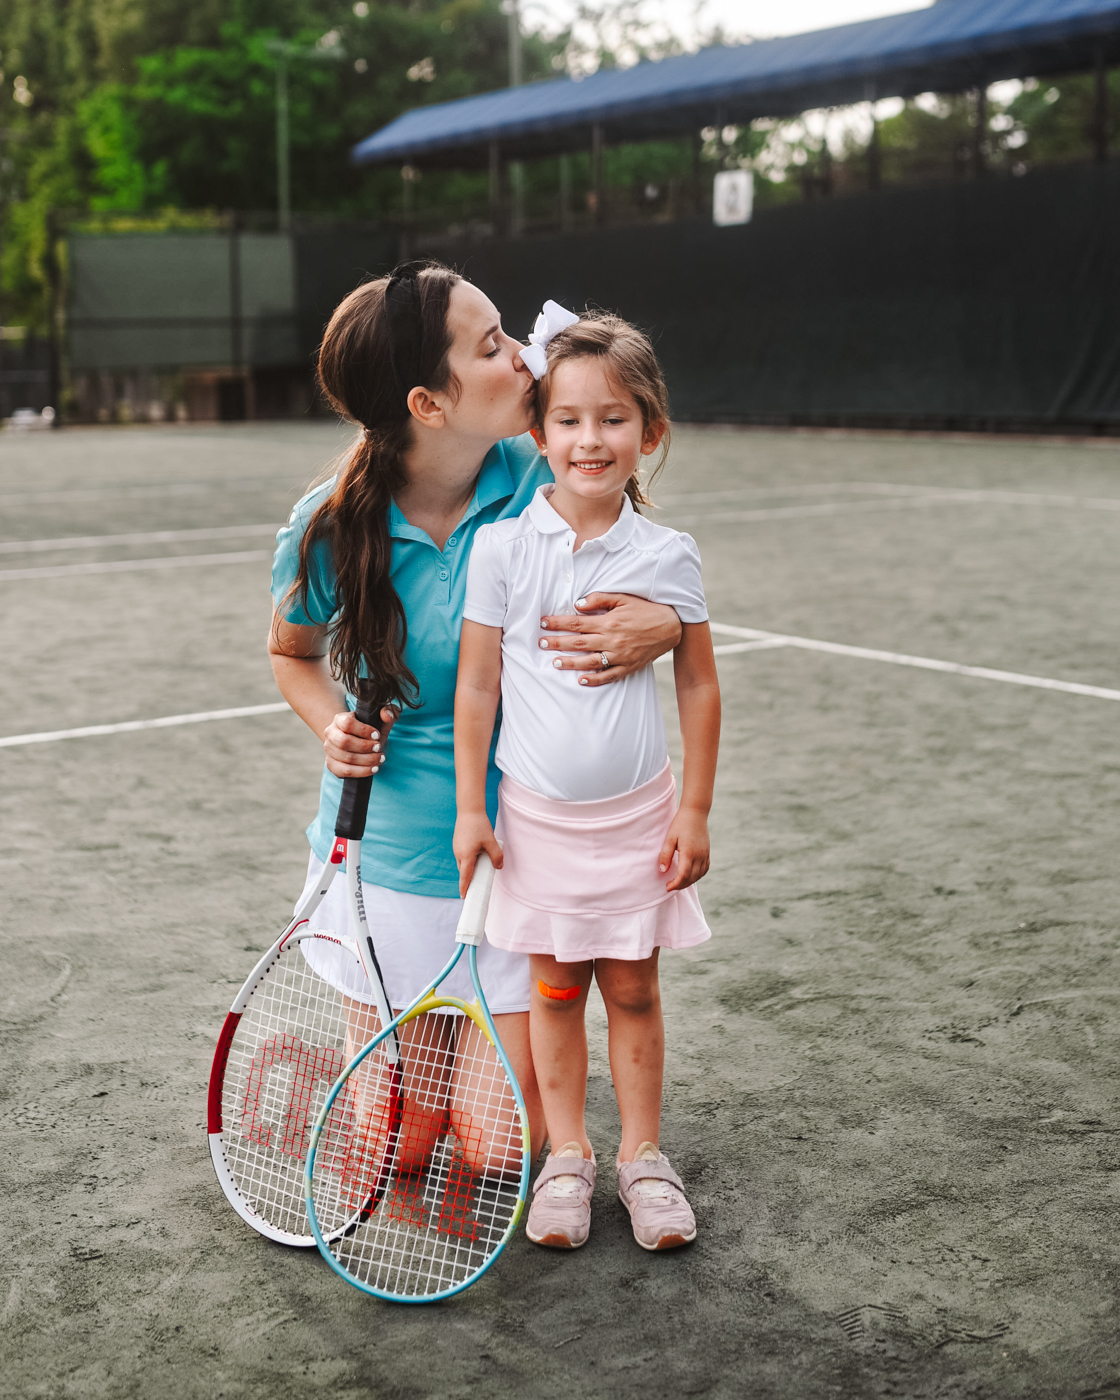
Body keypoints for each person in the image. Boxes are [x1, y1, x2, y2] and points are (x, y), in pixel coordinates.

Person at [267, 262, 684, 1182]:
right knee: (394, 1150)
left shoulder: (539, 473)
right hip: (386, 857)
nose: (524, 355)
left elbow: (648, 556)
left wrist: (665, 628)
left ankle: (483, 1067)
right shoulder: (332, 525)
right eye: (492, 344)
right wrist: (330, 724)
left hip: (519, 846)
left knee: (504, 1152)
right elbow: (291, 653)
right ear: (427, 402)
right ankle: (419, 1066)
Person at [453, 310, 721, 1250]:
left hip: (639, 825)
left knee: (637, 992)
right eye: (567, 420)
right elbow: (477, 688)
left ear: (649, 432)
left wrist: (693, 808)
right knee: (556, 993)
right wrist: (469, 813)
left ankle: (642, 1156)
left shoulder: (667, 554)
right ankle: (566, 1153)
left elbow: (698, 682)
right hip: (536, 828)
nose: (589, 440)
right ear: (539, 434)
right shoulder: (501, 549)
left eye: (613, 419)